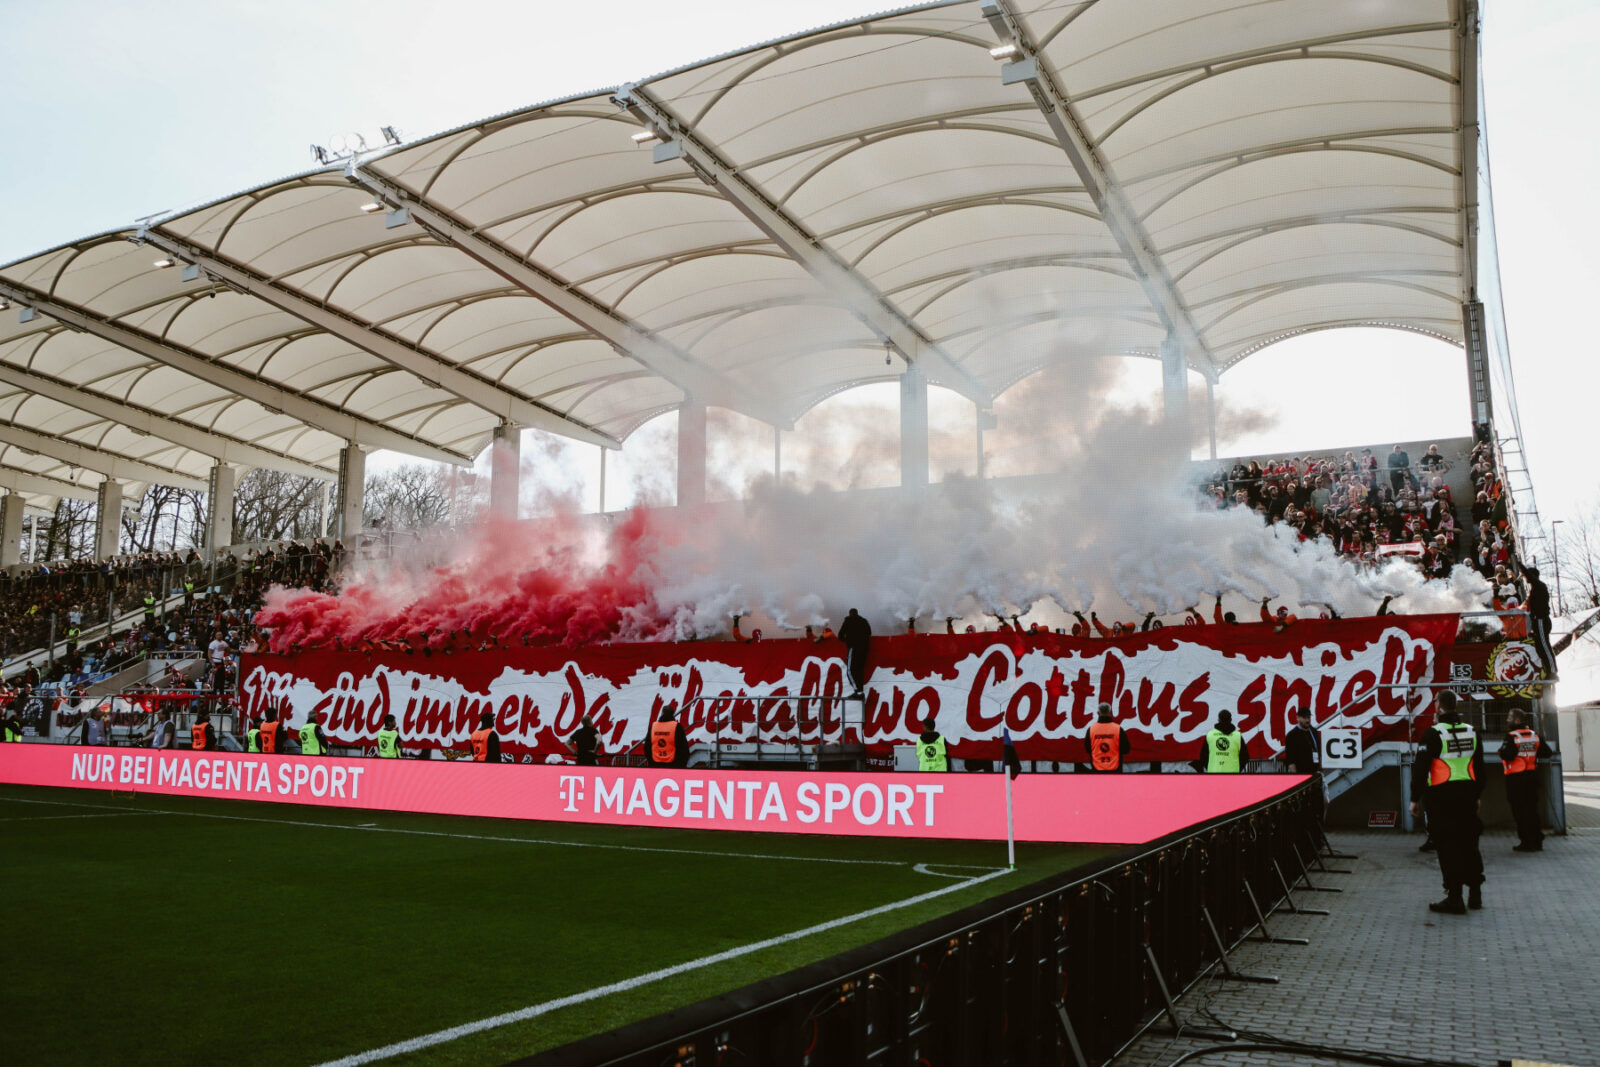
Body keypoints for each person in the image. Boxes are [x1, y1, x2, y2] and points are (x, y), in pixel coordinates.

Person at [1408, 690, 1486, 914]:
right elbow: (1479, 768)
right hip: (1467, 797)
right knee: (1470, 845)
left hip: (1441, 799)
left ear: (1438, 706)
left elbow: (1420, 769)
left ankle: (1454, 898)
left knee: (1448, 847)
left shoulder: (1433, 734)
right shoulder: (1471, 731)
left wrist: (1414, 799)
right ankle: (1475, 894)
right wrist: (1477, 794)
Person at [1499, 708, 1553, 852]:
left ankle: (1526, 842)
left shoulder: (1512, 736)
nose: (1507, 720)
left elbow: (1507, 755)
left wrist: (1502, 752)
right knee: (1532, 810)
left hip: (1516, 780)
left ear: (1517, 720)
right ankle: (1537, 840)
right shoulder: (1534, 735)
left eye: (1509, 717)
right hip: (1531, 777)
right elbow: (1547, 752)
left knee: (1520, 811)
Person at [1083, 703, 1129, 772]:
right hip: (1115, 769)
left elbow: (1088, 749)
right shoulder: (1118, 729)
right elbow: (1126, 749)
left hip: (1097, 768)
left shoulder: (1091, 729)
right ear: (1110, 713)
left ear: (1098, 713)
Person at [1524, 566, 1554, 670]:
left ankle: (1552, 670)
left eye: (1526, 576)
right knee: (1540, 647)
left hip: (1541, 620)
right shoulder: (1534, 588)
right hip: (1537, 621)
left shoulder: (1539, 585)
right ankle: (1547, 669)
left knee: (1545, 646)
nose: (1525, 578)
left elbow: (1530, 576)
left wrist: (1519, 565)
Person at [840, 608, 871, 696]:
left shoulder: (848, 621)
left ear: (850, 614)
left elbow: (840, 636)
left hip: (853, 648)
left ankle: (857, 691)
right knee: (859, 670)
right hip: (864, 649)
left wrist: (848, 640)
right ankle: (860, 691)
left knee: (850, 670)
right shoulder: (864, 621)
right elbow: (869, 632)